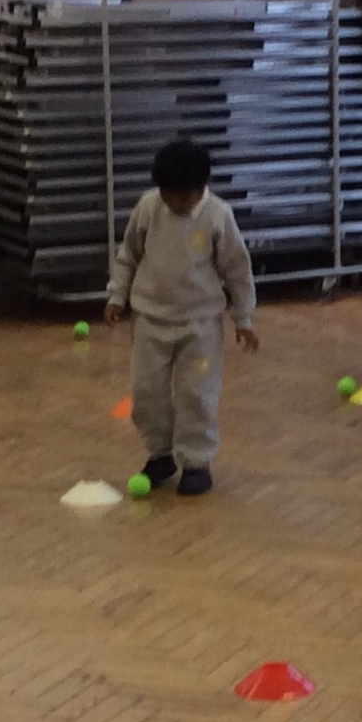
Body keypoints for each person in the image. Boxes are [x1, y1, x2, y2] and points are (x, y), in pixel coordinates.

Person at [105, 139, 258, 496]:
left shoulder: (218, 215)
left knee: (196, 393)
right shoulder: (148, 208)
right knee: (146, 393)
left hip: (200, 324)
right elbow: (128, 254)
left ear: (201, 188)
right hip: (150, 319)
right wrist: (117, 295)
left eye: (182, 196)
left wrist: (243, 318)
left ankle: (196, 462)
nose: (174, 203)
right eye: (167, 194)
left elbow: (237, 270)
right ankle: (160, 454)